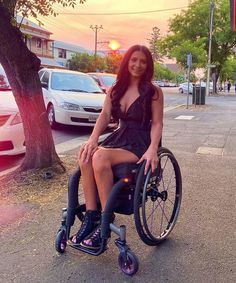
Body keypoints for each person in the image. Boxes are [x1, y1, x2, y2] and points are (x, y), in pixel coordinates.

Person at [69, 44, 164, 250]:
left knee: (100, 158)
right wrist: (93, 139)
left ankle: (105, 218)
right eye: (133, 60)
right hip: (120, 137)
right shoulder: (115, 88)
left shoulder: (154, 92)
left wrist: (153, 148)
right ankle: (92, 216)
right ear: (127, 61)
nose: (137, 65)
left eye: (143, 61)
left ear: (148, 66)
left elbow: (157, 123)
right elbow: (104, 115)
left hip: (141, 142)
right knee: (86, 154)